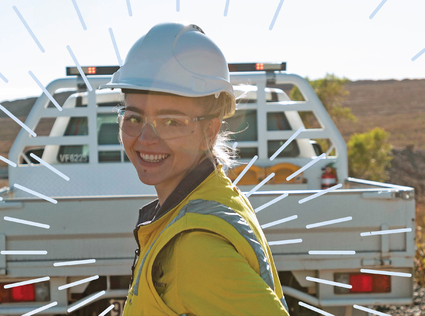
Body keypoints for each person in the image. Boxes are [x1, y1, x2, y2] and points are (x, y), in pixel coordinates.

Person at [101, 23, 290, 315]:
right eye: (134, 118)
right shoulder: (215, 199)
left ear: (210, 132)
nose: (146, 139)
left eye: (171, 121)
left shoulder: (195, 248)